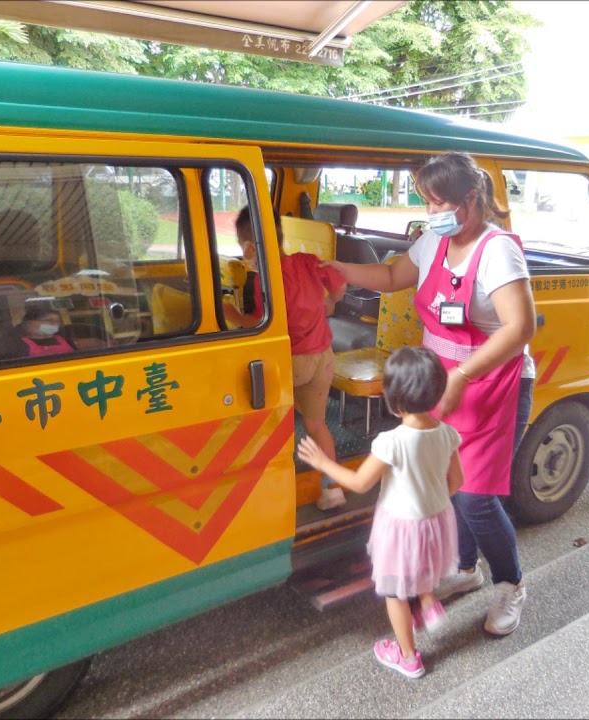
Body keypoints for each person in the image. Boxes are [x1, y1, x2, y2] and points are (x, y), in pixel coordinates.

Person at [320, 151, 537, 636]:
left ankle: (511, 583)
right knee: (444, 483)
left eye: (441, 203)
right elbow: (396, 276)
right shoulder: (432, 243)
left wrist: (462, 375)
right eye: (427, 202)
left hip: (493, 377)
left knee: (476, 497)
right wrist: (341, 269)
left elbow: (519, 328)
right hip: (441, 374)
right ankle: (464, 568)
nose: (434, 213)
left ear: (472, 200)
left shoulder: (497, 249)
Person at [296, 346, 464, 679]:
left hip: (401, 527)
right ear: (438, 391)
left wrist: (322, 463)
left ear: (394, 398)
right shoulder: (447, 434)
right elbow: (456, 482)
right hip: (436, 520)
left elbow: (359, 483)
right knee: (423, 567)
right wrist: (428, 499)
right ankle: (429, 604)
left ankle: (408, 658)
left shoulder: (391, 441)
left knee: (395, 592)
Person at [224, 206, 349, 511]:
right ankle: (332, 489)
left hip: (293, 362)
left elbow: (259, 323)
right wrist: (331, 302)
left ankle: (273, 494)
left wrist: (234, 315)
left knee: (274, 426)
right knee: (317, 424)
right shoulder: (307, 261)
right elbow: (340, 282)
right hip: (323, 357)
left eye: (243, 248)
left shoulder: (261, 281)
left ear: (251, 247)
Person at [0, 301, 75, 359]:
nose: (54, 324)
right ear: (29, 323)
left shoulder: (62, 338)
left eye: (57, 321)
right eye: (49, 321)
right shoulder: (15, 344)